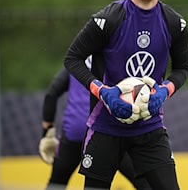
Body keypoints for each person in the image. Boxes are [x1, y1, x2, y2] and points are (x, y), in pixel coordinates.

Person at [64, 0, 188, 190]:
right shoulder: (107, 20)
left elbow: (183, 69)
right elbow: (73, 59)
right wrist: (103, 92)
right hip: (105, 127)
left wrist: (164, 91)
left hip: (149, 128)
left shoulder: (175, 24)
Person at [39, 61, 151, 189]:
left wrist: (47, 133)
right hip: (107, 134)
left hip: (75, 132)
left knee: (57, 183)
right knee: (143, 183)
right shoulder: (116, 60)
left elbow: (51, 94)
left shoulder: (76, 63)